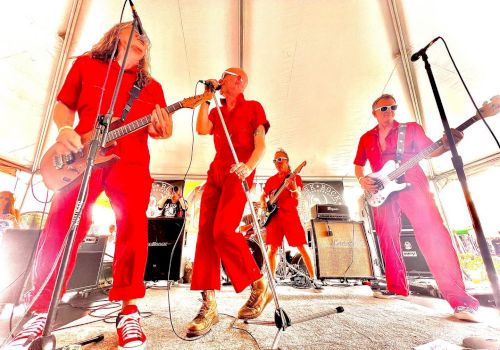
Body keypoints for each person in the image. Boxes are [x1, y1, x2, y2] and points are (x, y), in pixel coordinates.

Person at [6, 22, 172, 350]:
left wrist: (162, 129)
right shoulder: (86, 65)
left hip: (132, 163)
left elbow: (160, 129)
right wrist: (65, 129)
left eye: (145, 38)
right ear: (116, 35)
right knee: (62, 223)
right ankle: (40, 311)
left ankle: (128, 310)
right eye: (136, 33)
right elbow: (63, 103)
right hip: (83, 156)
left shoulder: (152, 86)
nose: (143, 39)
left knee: (133, 229)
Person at [354, 94, 480, 322]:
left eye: (393, 106)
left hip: (413, 182)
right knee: (386, 238)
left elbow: (430, 151)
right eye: (383, 108)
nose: (389, 111)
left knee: (433, 234)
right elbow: (358, 166)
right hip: (381, 191)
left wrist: (448, 143)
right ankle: (397, 288)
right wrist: (362, 180)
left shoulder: (410, 128)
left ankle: (460, 300)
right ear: (374, 112)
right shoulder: (365, 138)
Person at [186, 68, 270, 337]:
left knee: (223, 231)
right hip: (216, 172)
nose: (222, 78)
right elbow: (202, 129)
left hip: (239, 168)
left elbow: (261, 145)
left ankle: (258, 285)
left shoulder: (254, 107)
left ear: (241, 81)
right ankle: (208, 305)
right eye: (220, 76)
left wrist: (249, 166)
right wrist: (207, 97)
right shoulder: (216, 110)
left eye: (227, 75)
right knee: (206, 237)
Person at [260, 149, 322, 289]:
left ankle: (313, 279)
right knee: (272, 249)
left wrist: (293, 188)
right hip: (274, 217)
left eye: (280, 159)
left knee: (302, 247)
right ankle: (272, 279)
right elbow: (263, 196)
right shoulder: (271, 180)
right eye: (275, 160)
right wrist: (263, 201)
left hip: (290, 216)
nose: (277, 163)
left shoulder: (295, 178)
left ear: (287, 160)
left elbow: (297, 197)